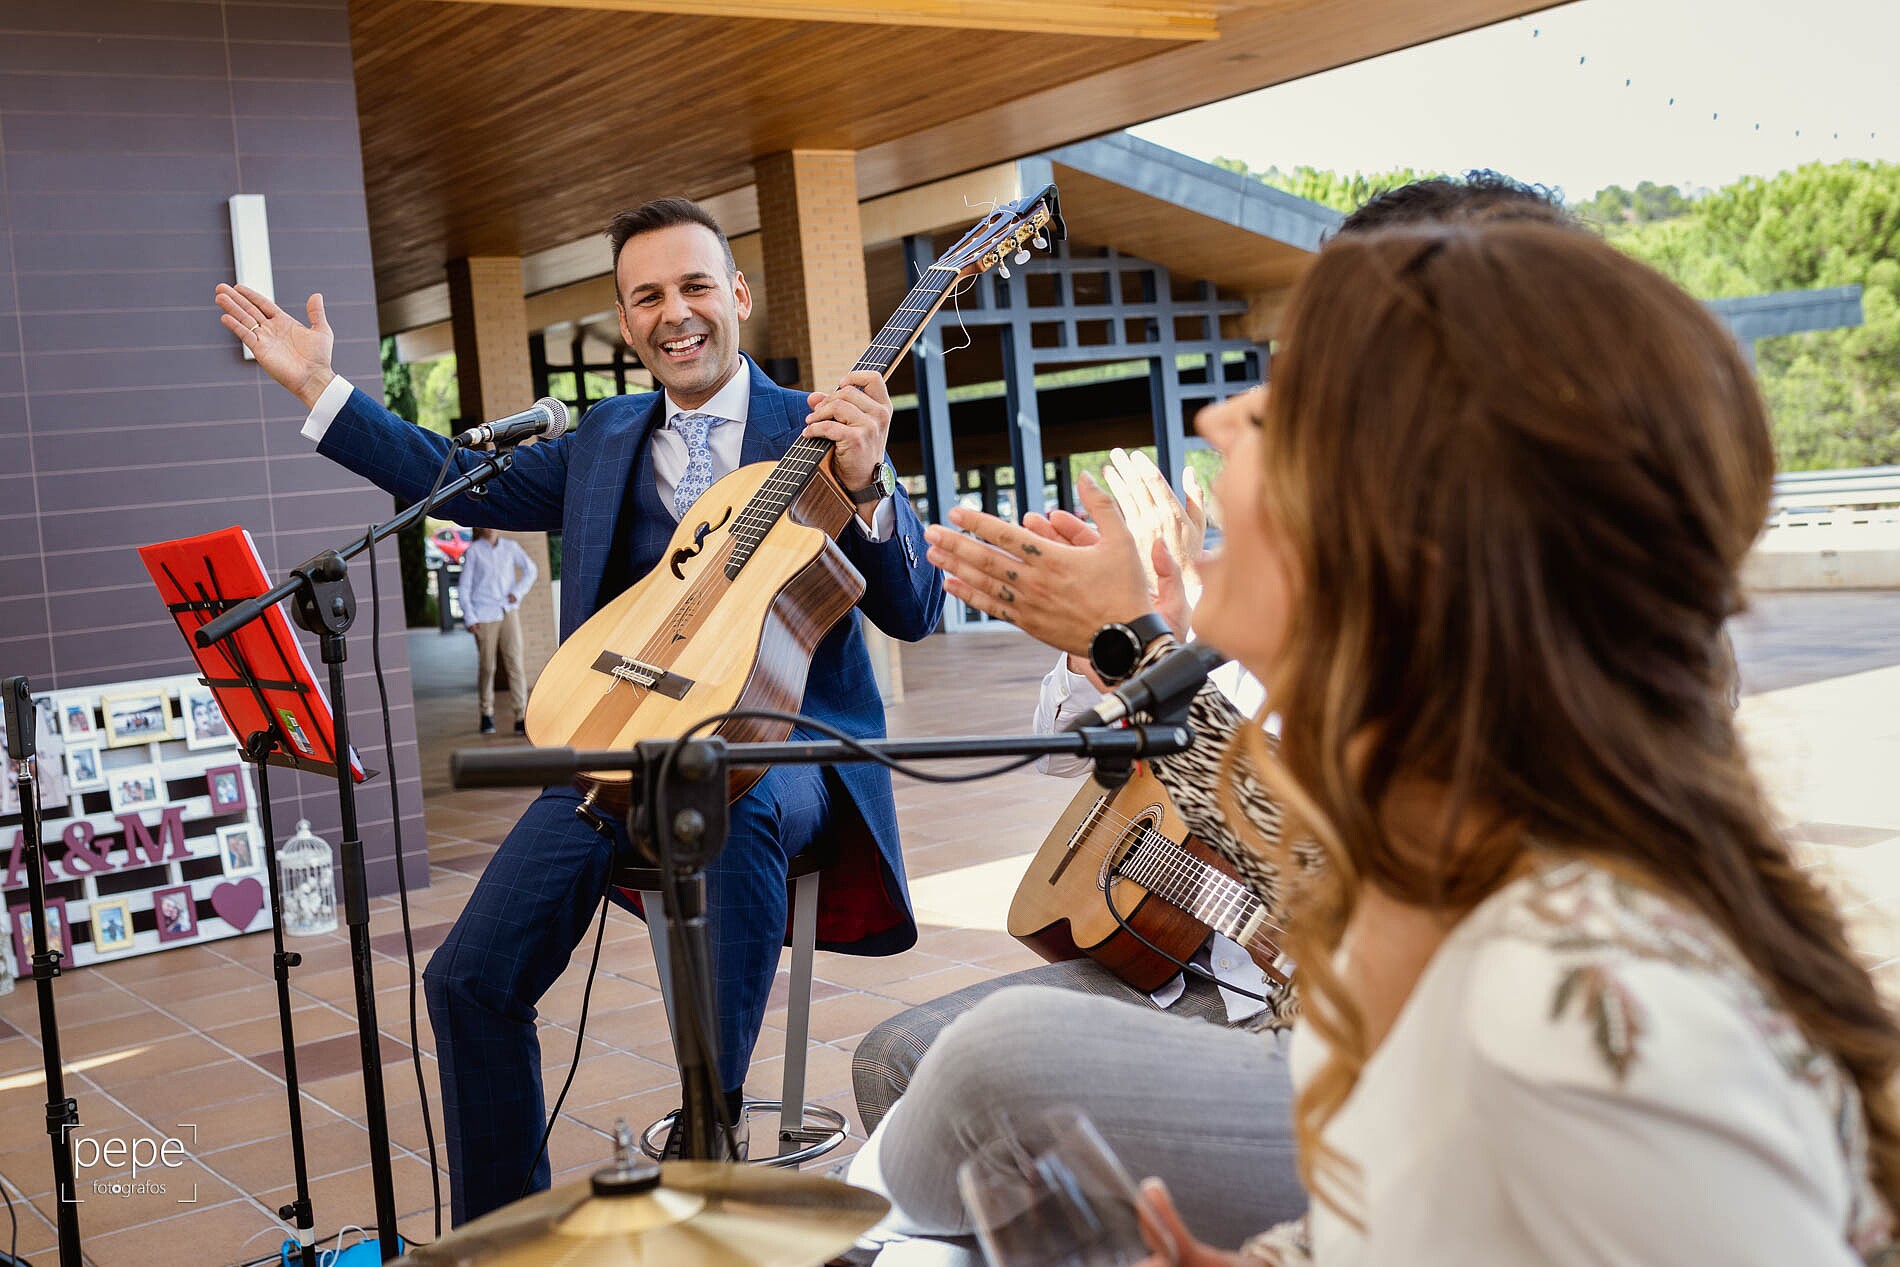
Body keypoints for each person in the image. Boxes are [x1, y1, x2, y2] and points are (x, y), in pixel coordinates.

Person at [1124, 221, 1900, 1261]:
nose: (1219, 419)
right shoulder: (1435, 870)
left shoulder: (1574, 1017)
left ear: (1410, 541)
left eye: (1275, 411)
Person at [852, 176, 1580, 1259]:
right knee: (912, 1065)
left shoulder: (1535, 627)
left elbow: (1341, 894)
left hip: (1421, 1080)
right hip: (1314, 1028)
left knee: (994, 1067)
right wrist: (1136, 634)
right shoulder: (1399, 593)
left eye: (1318, 390)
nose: (1238, 423)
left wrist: (1136, 639)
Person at [214, 195, 943, 1223]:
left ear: (736, 294)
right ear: (624, 319)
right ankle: (501, 1232)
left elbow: (916, 609)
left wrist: (868, 486)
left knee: (726, 798)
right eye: (646, 297)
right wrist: (319, 385)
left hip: (788, 756)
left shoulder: (817, 428)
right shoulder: (605, 437)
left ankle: (708, 1119)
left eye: (694, 285)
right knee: (467, 979)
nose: (674, 313)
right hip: (615, 749)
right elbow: (450, 477)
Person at [456, 525, 538, 734]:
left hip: (508, 611)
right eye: (483, 524)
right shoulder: (474, 552)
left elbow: (531, 570)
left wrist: (517, 593)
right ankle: (486, 715)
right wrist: (470, 617)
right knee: (487, 667)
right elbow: (464, 587)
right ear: (478, 527)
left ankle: (521, 717)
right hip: (484, 616)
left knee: (515, 664)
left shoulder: (511, 547)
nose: (489, 527)